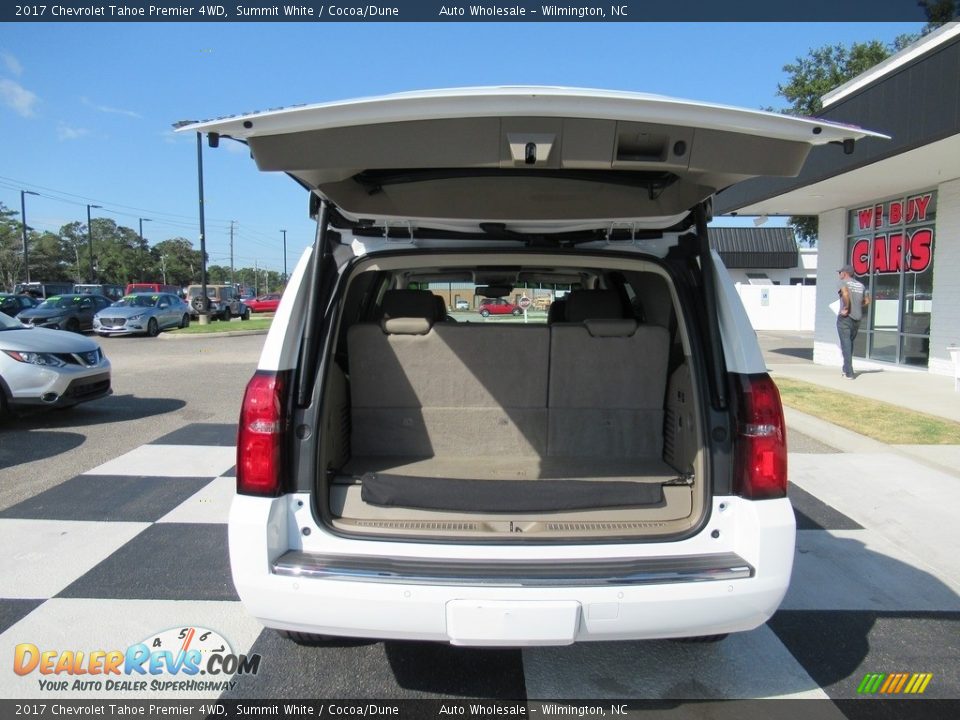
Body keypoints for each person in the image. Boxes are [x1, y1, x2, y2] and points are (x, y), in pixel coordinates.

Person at [837, 264, 870, 379]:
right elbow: (867, 301)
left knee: (845, 344)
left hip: (845, 318)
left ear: (845, 273)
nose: (839, 274)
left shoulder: (844, 282)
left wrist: (846, 307)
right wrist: (857, 305)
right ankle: (845, 368)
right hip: (857, 318)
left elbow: (845, 294)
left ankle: (849, 373)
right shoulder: (861, 285)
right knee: (849, 344)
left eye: (840, 272)